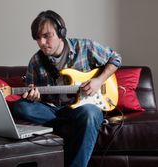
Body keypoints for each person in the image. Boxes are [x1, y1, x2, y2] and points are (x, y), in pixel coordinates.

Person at [13, 10, 122, 167]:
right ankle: (70, 121)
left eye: (46, 36)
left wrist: (99, 81)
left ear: (61, 32)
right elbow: (32, 91)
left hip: (83, 108)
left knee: (90, 113)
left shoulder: (84, 47)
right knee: (21, 107)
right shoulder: (36, 61)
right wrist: (33, 95)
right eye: (38, 38)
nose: (42, 42)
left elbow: (116, 58)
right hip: (54, 110)